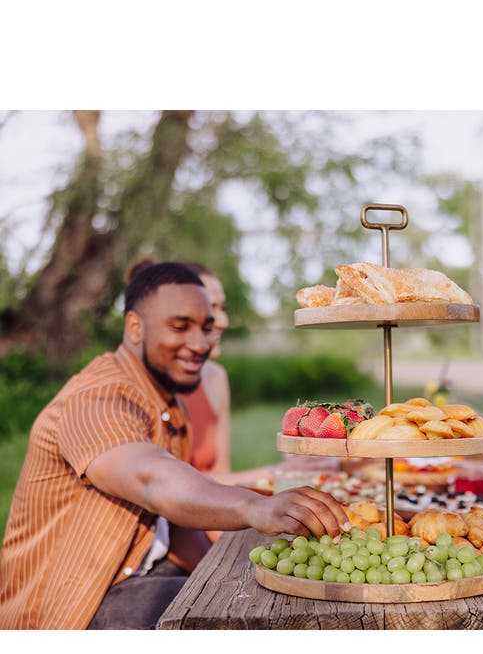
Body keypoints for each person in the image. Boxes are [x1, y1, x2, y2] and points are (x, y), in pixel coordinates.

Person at [0, 262, 348, 630]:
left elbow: (179, 528)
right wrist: (254, 506)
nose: (200, 344)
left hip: (139, 570)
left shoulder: (166, 400)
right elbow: (152, 481)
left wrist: (231, 577)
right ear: (135, 327)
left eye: (206, 328)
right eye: (179, 327)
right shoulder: (95, 399)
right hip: (72, 605)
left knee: (261, 598)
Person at [126, 259, 268, 488]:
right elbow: (164, 488)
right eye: (212, 308)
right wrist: (277, 473)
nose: (222, 322)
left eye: (223, 308)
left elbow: (223, 476)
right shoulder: (133, 387)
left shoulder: (215, 377)